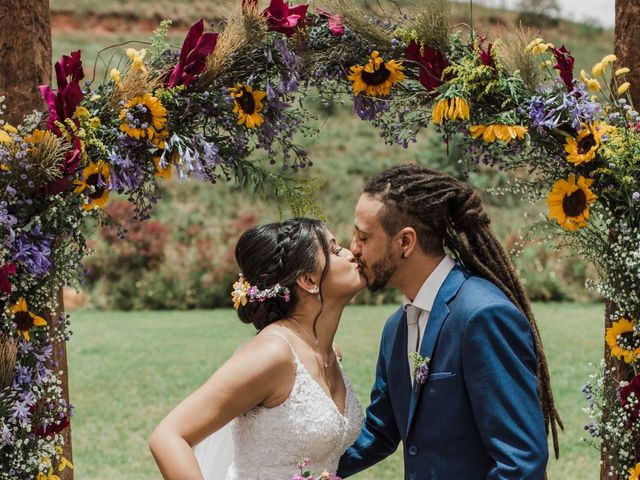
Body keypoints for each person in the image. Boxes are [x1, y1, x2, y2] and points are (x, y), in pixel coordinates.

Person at [337, 164, 562, 480]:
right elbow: (380, 431)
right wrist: (300, 471)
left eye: (363, 237)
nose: (353, 249)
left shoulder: (482, 315)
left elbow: (520, 462)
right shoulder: (395, 329)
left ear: (405, 242)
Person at [149, 218, 364, 479]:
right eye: (334, 249)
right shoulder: (274, 354)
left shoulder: (332, 353)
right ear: (309, 280)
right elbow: (169, 436)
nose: (351, 254)